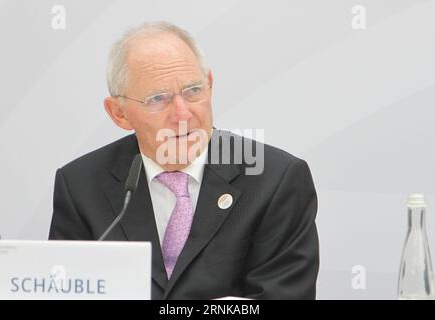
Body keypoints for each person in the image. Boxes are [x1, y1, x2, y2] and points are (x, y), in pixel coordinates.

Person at [48, 21, 319, 300]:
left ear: (210, 86)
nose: (182, 114)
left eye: (193, 91)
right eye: (157, 99)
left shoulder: (275, 180)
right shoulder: (81, 185)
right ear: (119, 113)